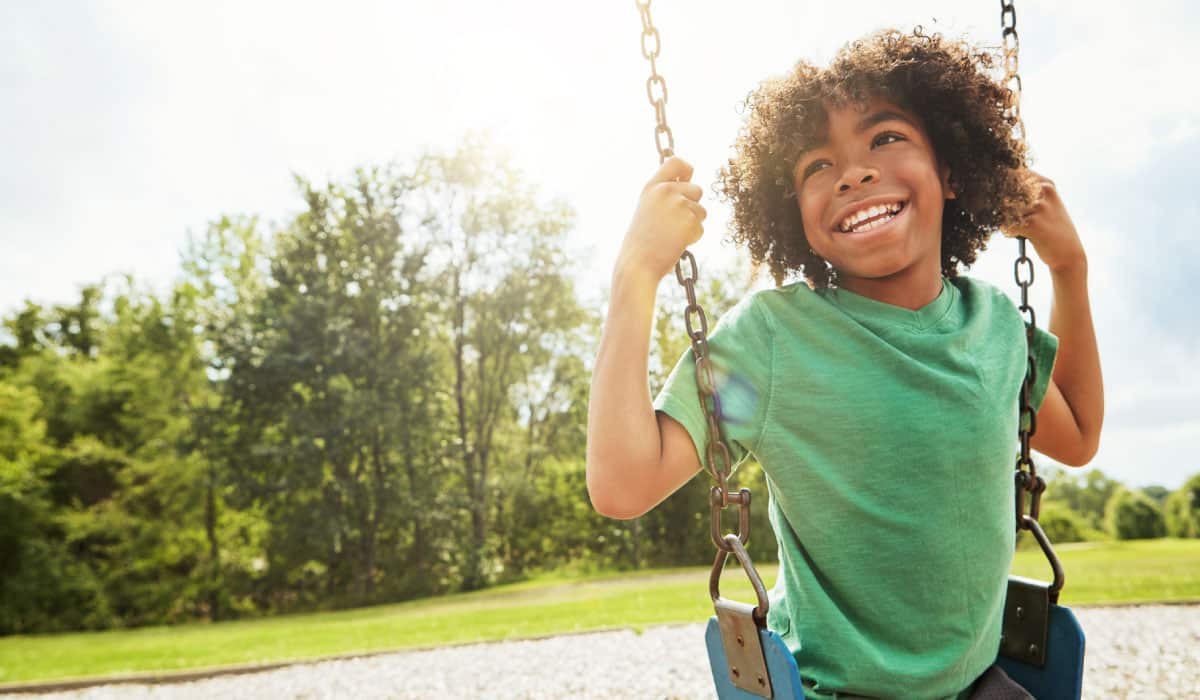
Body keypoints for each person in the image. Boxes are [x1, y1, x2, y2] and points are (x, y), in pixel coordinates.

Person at [585, 28, 1103, 700]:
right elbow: (625, 483)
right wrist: (636, 274)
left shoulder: (996, 329)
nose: (853, 173)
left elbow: (1078, 436)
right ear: (792, 212)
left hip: (978, 688)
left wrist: (1069, 267)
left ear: (951, 171)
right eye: (815, 166)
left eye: (885, 138)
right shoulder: (776, 346)